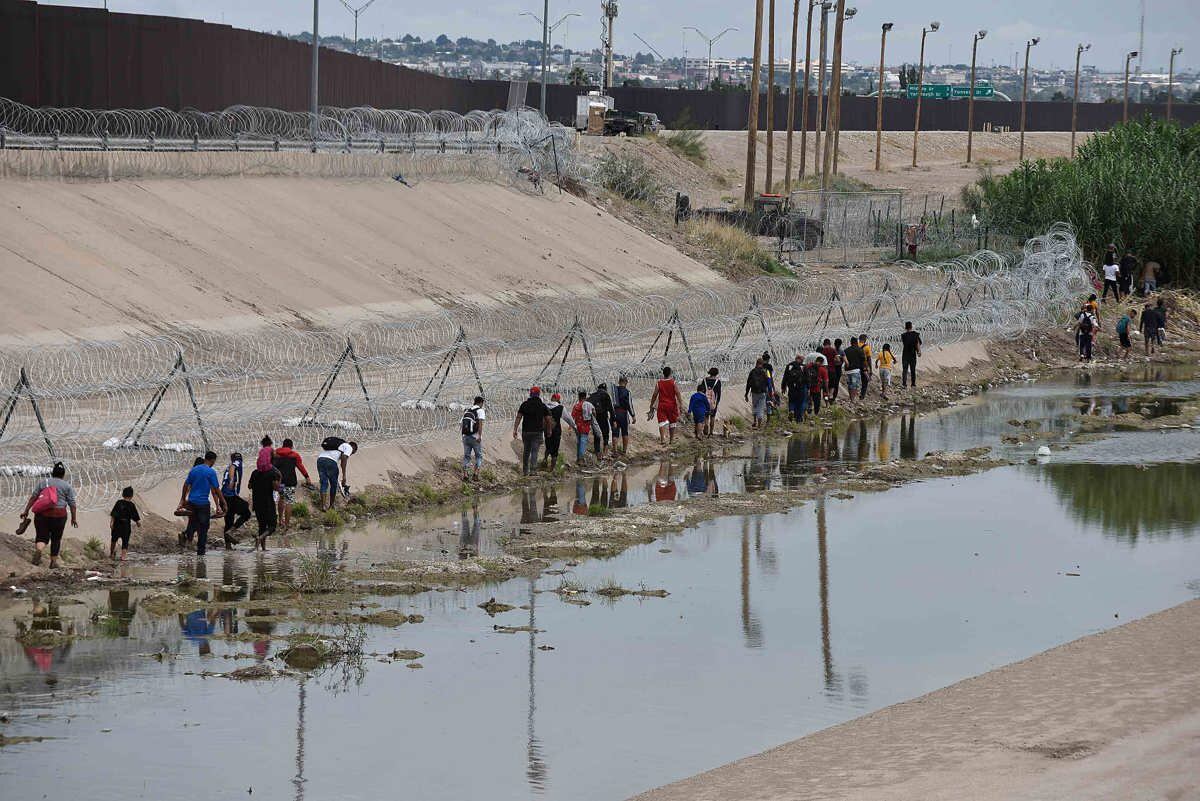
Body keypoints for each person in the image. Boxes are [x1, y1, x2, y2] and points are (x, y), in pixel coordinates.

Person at [20, 462, 78, 568]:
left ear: (52, 473)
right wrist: (74, 518)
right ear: (63, 474)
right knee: (56, 539)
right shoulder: (67, 486)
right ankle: (53, 562)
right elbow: (72, 504)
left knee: (42, 536)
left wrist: (26, 510)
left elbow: (34, 497)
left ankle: (39, 550)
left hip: (42, 514)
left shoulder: (44, 482)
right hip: (59, 515)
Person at [177, 451, 225, 556]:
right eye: (214, 461)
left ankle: (186, 536)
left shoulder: (194, 470)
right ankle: (201, 555)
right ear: (212, 460)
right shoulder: (210, 472)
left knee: (193, 522)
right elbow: (216, 490)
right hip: (203, 504)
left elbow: (186, 485)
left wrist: (183, 500)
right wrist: (222, 503)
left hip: (192, 502)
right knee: (203, 528)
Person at [272, 438, 312, 532]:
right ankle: (286, 525)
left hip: (279, 482)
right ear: (291, 446)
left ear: (283, 445)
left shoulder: (275, 454)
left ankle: (280, 520)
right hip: (290, 482)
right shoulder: (295, 455)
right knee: (289, 501)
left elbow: (270, 466)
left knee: (281, 499)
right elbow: (300, 467)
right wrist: (307, 477)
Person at [513, 386, 551, 476]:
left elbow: (519, 417)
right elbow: (548, 419)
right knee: (534, 451)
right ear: (539, 394)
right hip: (537, 432)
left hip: (526, 431)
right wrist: (549, 430)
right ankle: (533, 471)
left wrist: (515, 429)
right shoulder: (542, 406)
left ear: (530, 393)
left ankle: (525, 471)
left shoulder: (524, 404)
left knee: (526, 451)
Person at [315, 437, 357, 511]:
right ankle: (331, 506)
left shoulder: (339, 445)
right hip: (331, 462)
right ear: (353, 448)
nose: (350, 455)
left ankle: (323, 506)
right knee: (334, 484)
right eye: (352, 453)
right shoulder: (349, 447)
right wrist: (344, 475)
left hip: (320, 460)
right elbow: (344, 458)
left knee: (324, 483)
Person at [220, 452, 250, 547]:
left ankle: (228, 546)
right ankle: (231, 531)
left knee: (229, 520)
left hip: (224, 496)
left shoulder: (228, 467)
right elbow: (234, 467)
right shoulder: (237, 463)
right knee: (247, 513)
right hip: (230, 496)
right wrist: (232, 480)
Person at [248, 463, 281, 550]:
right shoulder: (272, 474)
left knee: (261, 526)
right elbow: (277, 488)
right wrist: (279, 478)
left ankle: (263, 548)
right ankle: (260, 538)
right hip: (268, 502)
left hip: (257, 502)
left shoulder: (255, 472)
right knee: (272, 526)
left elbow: (249, 486)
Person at [648, 366, 683, 444]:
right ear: (670, 373)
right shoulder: (673, 382)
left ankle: (662, 439)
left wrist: (651, 405)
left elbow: (654, 395)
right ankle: (671, 440)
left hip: (662, 405)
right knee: (672, 422)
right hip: (672, 405)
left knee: (661, 422)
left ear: (663, 373)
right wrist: (680, 404)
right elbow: (677, 393)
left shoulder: (659, 383)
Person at [109, 486, 140, 561]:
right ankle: (123, 557)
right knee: (125, 542)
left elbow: (114, 513)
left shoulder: (119, 503)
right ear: (132, 496)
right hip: (126, 525)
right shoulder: (131, 505)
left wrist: (111, 522)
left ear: (123, 494)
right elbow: (135, 515)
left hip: (117, 524)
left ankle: (111, 553)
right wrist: (138, 522)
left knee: (114, 539)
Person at [460, 395, 486, 480]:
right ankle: (475, 474)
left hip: (465, 437)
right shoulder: (480, 410)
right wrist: (479, 436)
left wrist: (463, 436)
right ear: (481, 403)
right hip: (475, 437)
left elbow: (461, 424)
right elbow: (481, 424)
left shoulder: (467, 411)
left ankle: (465, 475)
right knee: (478, 456)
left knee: (467, 456)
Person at [588, 383, 614, 457]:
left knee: (597, 433)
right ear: (605, 389)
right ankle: (605, 451)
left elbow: (587, 404)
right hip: (603, 417)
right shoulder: (606, 395)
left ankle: (597, 451)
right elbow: (611, 408)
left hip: (595, 417)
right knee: (605, 433)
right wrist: (613, 419)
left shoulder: (593, 395)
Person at [569, 390, 595, 462]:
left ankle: (578, 458)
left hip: (578, 426)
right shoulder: (589, 405)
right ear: (585, 397)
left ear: (579, 397)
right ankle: (581, 459)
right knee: (583, 442)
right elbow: (594, 413)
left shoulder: (576, 406)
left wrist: (570, 427)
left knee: (579, 442)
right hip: (585, 426)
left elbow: (572, 417)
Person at [611, 377, 636, 455]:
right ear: (626, 382)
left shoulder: (614, 391)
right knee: (625, 433)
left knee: (615, 433)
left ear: (619, 382)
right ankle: (624, 451)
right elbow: (630, 405)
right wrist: (633, 415)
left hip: (614, 413)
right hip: (623, 414)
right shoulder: (627, 392)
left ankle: (615, 451)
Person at [781, 353, 808, 422]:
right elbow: (807, 378)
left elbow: (785, 377)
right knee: (800, 403)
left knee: (792, 401)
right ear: (801, 360)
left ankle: (791, 410)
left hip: (791, 387)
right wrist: (808, 387)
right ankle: (798, 419)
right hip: (801, 388)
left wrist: (783, 387)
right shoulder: (803, 367)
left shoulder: (789, 366)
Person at [745, 358, 770, 428]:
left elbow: (748, 383)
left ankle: (754, 421)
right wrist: (770, 391)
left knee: (755, 406)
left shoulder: (752, 371)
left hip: (754, 392)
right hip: (762, 392)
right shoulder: (765, 371)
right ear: (762, 364)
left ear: (756, 363)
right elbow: (769, 382)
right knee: (760, 408)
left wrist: (746, 393)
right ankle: (759, 425)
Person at [697, 368, 722, 437]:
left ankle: (706, 426)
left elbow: (701, 391)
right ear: (716, 373)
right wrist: (717, 403)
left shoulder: (704, 380)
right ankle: (711, 432)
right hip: (713, 402)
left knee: (706, 416)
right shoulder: (718, 381)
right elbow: (719, 394)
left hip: (705, 401)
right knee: (713, 417)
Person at [544, 392, 565, 468]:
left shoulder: (545, 406)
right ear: (558, 400)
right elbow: (568, 419)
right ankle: (552, 469)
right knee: (555, 450)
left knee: (548, 446)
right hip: (556, 430)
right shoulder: (560, 407)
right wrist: (574, 427)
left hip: (546, 430)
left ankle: (545, 460)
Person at [843, 336, 865, 401]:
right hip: (855, 370)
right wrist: (865, 369)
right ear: (856, 342)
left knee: (850, 385)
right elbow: (863, 360)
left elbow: (843, 359)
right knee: (855, 385)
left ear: (851, 342)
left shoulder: (846, 350)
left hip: (847, 370)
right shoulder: (859, 349)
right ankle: (853, 399)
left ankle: (851, 398)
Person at [900, 322, 922, 388]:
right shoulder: (915, 335)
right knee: (913, 370)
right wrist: (919, 351)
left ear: (905, 327)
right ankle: (913, 384)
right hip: (912, 354)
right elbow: (917, 343)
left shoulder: (903, 335)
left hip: (905, 354)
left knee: (905, 370)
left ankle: (904, 384)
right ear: (911, 326)